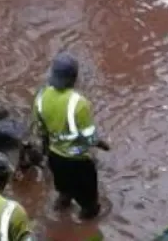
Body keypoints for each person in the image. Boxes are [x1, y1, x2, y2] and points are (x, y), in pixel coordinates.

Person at [30, 53, 110, 219]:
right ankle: (83, 227)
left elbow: (41, 131)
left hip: (55, 158)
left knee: (64, 191)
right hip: (78, 162)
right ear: (74, 78)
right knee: (90, 206)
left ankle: (60, 213)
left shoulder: (40, 97)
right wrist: (103, 145)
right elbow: (90, 138)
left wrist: (46, 152)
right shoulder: (79, 104)